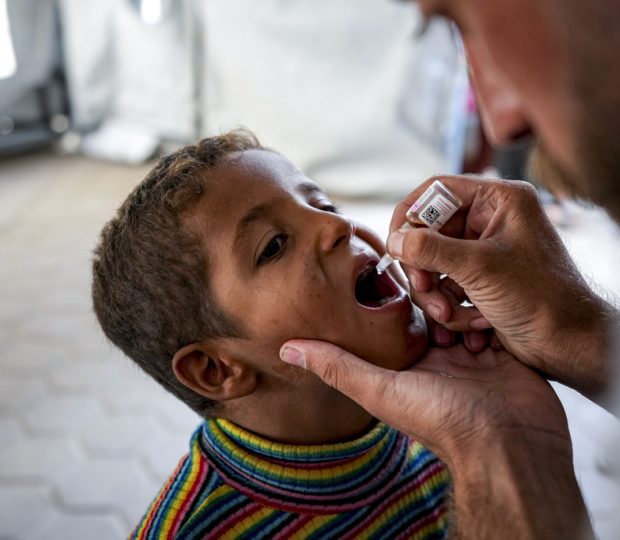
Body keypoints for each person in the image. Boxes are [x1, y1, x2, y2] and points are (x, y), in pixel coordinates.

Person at [279, 1, 620, 538]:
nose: (502, 119)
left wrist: (495, 444)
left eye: (465, 21)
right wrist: (577, 331)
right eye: (273, 244)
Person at [91, 130, 451, 539]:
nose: (336, 226)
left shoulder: (446, 408)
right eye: (275, 245)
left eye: (324, 204)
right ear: (216, 369)